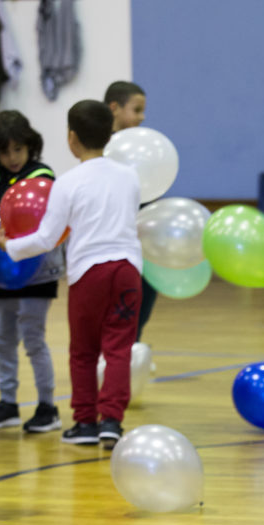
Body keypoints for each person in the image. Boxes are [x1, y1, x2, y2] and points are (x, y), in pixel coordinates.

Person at [0, 100, 142, 449]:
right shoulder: (129, 175)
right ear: (109, 136)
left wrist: (8, 244)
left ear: (71, 138)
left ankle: (85, 423)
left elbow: (47, 238)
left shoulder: (67, 182)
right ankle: (111, 421)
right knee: (119, 348)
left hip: (89, 272)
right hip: (127, 271)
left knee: (84, 352)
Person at [0, 110, 62, 433]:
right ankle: (7, 403)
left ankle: (47, 406)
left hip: (39, 270)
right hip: (3, 270)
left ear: (29, 146)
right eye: (4, 151)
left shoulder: (41, 174)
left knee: (33, 338)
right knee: (3, 337)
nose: (12, 158)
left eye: (18, 150)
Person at [103, 81, 154, 342]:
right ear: (114, 108)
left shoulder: (142, 148)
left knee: (147, 291)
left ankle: (133, 345)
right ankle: (117, 348)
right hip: (112, 240)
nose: (142, 117)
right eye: (136, 109)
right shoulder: (100, 148)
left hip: (141, 235)